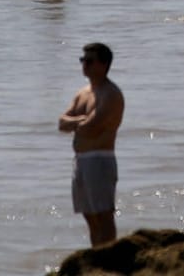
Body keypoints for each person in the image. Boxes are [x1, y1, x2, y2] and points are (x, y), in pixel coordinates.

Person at [58, 42, 124, 248]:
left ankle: (109, 258)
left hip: (100, 159)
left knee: (104, 215)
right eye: (82, 60)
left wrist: (76, 122)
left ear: (103, 64)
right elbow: (62, 123)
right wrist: (80, 121)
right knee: (89, 216)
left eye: (89, 61)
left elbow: (92, 127)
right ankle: (96, 255)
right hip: (81, 160)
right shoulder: (83, 93)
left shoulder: (111, 94)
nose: (84, 65)